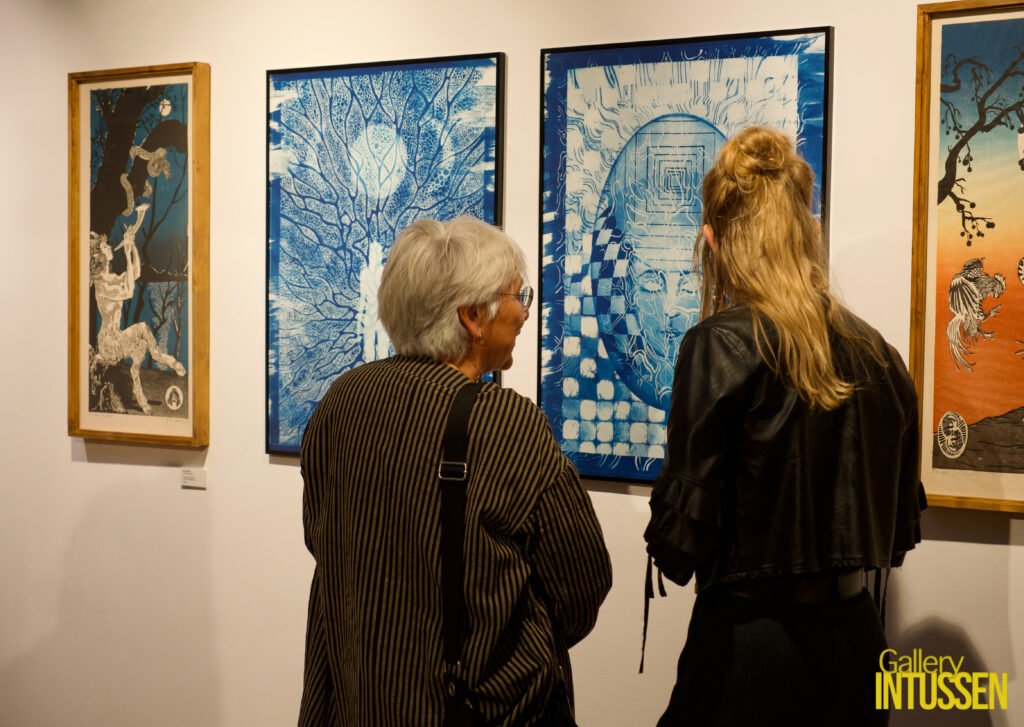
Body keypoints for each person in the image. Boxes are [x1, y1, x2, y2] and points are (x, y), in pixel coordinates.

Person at [643, 127, 925, 726]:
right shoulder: (882, 355)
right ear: (806, 234)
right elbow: (895, 537)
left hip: (752, 651)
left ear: (713, 242)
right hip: (857, 649)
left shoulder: (718, 344)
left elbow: (678, 550)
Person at [299, 216, 612, 726]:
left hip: (358, 703)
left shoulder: (341, 401)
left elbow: (322, 540)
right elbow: (581, 588)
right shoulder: (505, 423)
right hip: (469, 710)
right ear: (472, 316)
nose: (525, 312)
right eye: (517, 296)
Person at [89, 203, 185, 414]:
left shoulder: (112, 278)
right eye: (104, 247)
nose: (108, 247)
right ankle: (170, 361)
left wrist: (132, 247)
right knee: (142, 328)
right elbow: (129, 291)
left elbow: (136, 273)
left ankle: (142, 400)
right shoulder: (102, 284)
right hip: (108, 344)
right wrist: (125, 251)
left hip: (117, 338)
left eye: (107, 246)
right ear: (99, 257)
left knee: (140, 350)